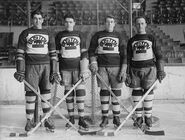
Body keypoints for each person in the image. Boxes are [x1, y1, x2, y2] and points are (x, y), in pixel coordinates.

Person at [14, 10, 60, 132]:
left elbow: (53, 54)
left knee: (46, 95)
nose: (37, 20)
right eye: (35, 18)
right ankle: (29, 121)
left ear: (43, 20)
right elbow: (20, 54)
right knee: (30, 95)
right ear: (32, 19)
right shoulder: (25, 33)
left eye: (40, 18)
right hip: (30, 67)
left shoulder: (48, 33)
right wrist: (20, 70)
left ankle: (47, 120)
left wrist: (54, 71)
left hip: (46, 66)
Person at [126, 16, 166, 128]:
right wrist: (127, 73)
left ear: (146, 24)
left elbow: (159, 55)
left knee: (148, 92)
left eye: (142, 23)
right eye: (138, 23)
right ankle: (138, 117)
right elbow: (128, 59)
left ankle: (148, 117)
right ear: (135, 25)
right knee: (137, 93)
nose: (140, 25)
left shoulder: (151, 38)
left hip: (150, 69)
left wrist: (161, 70)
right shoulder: (131, 40)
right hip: (134, 69)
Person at [88, 15, 127, 128]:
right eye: (107, 22)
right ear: (104, 23)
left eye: (112, 22)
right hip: (102, 67)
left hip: (116, 67)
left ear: (114, 24)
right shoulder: (97, 35)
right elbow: (91, 51)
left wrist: (123, 70)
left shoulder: (119, 36)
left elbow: (124, 54)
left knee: (116, 92)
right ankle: (105, 117)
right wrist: (93, 62)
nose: (110, 24)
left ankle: (116, 117)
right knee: (104, 92)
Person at [55, 14, 89, 131]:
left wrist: (84, 70)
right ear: (64, 23)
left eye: (70, 22)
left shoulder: (80, 35)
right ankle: (71, 118)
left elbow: (84, 53)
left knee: (80, 93)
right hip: (65, 69)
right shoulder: (59, 35)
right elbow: (57, 55)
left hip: (78, 68)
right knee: (68, 95)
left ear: (74, 23)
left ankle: (81, 119)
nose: (68, 24)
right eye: (66, 22)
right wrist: (57, 71)